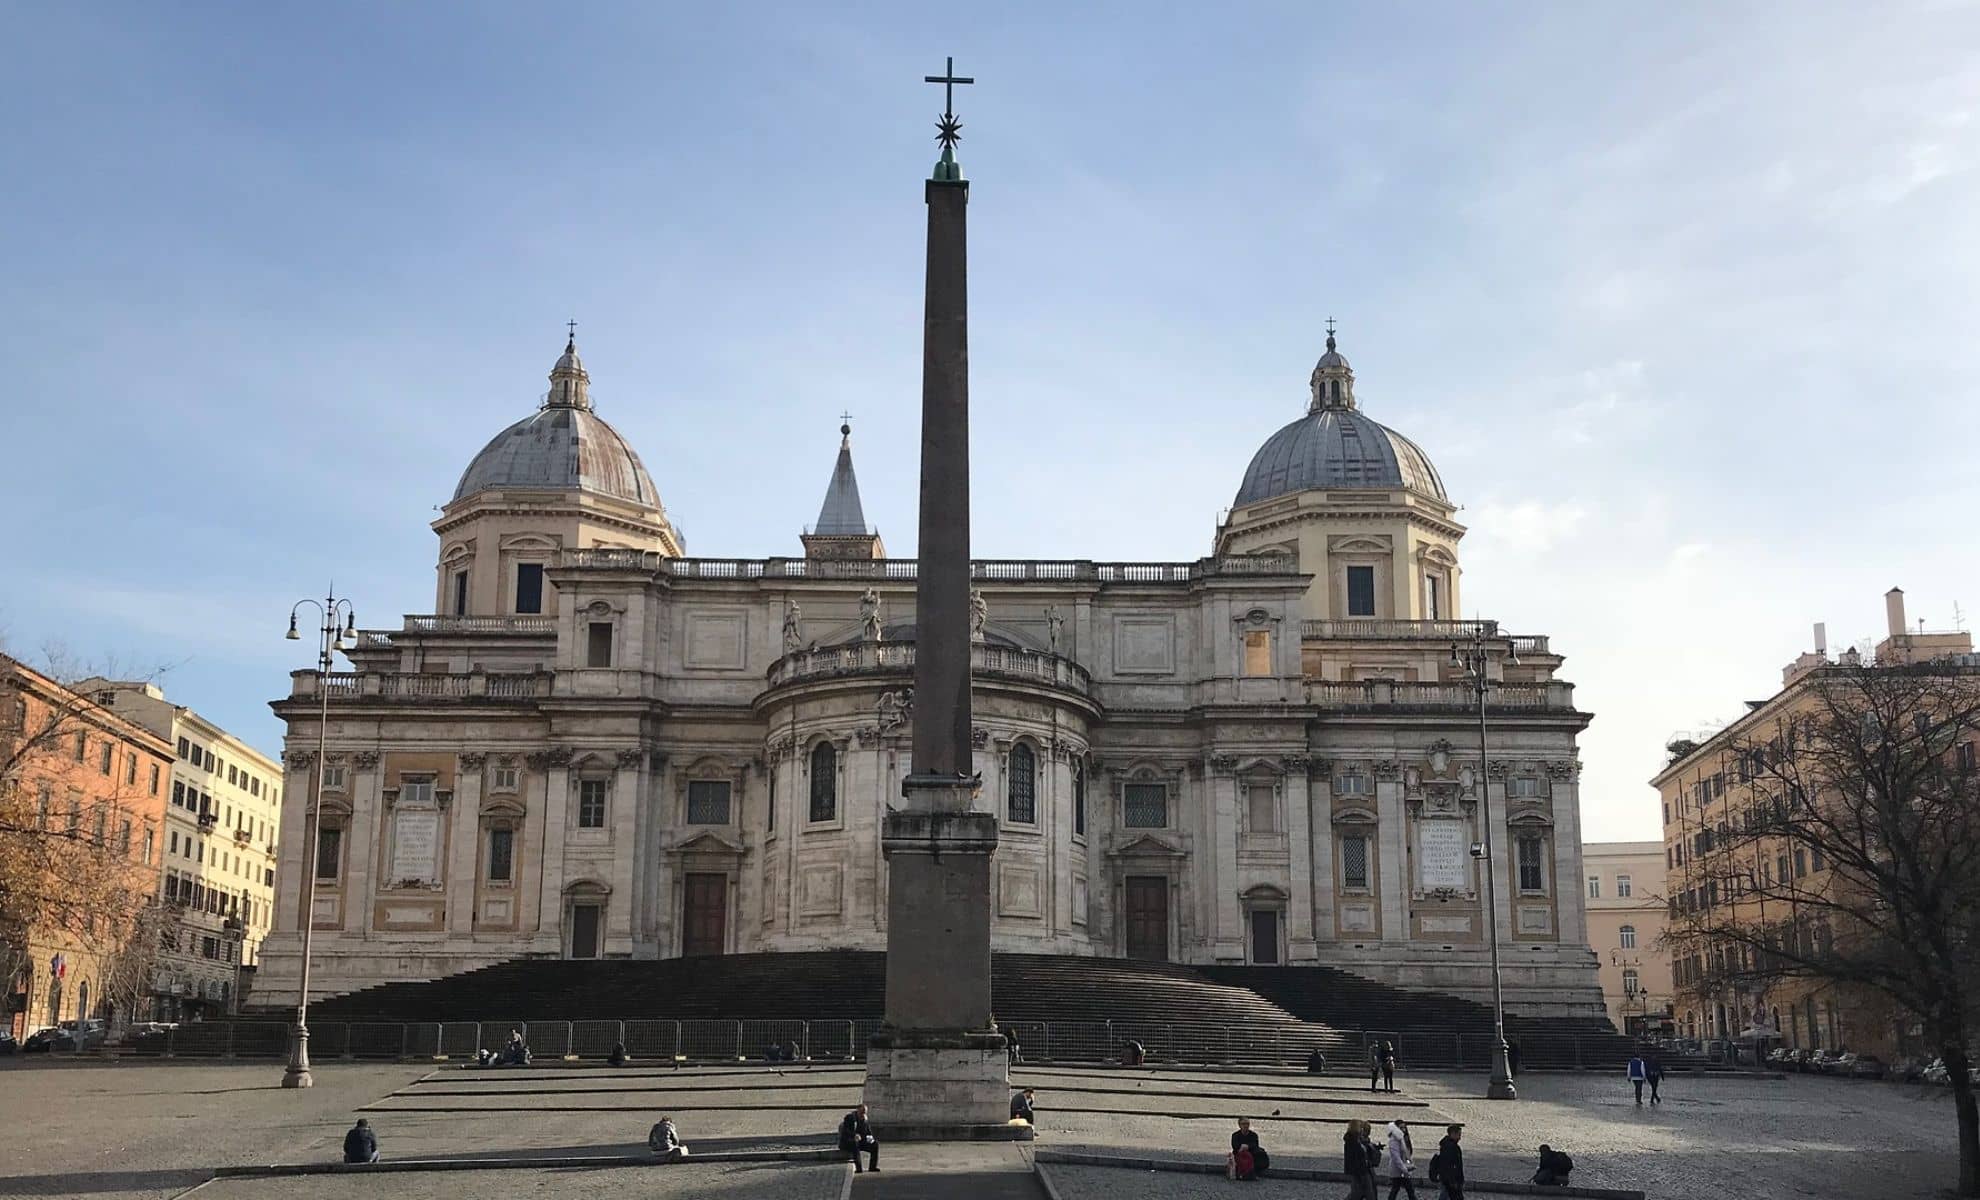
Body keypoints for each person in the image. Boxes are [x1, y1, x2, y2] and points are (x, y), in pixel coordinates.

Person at [1343, 1119, 1380, 1200]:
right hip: (1360, 1172)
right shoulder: (1351, 1142)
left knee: (1361, 1193)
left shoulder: (1358, 1140)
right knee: (1362, 1194)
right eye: (1360, 1127)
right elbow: (1355, 1159)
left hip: (1365, 1170)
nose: (1362, 1129)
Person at [839, 1103, 879, 1173]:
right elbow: (845, 1131)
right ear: (857, 1110)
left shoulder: (865, 1119)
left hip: (861, 1141)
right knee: (855, 1144)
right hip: (849, 1141)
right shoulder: (850, 1118)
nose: (863, 1114)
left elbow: (868, 1132)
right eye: (861, 1112)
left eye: (864, 1112)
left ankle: (872, 1167)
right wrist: (854, 1135)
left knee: (875, 1144)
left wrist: (870, 1139)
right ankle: (859, 1168)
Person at [1385, 1118, 1418, 1200]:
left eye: (1404, 1127)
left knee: (1404, 1189)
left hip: (1403, 1168)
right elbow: (1396, 1157)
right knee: (1402, 1189)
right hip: (1398, 1169)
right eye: (1401, 1128)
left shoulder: (1402, 1139)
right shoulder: (1394, 1141)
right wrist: (1404, 1169)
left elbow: (1407, 1153)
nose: (1403, 1130)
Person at [1429, 1124, 1464, 1200]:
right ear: (1453, 1134)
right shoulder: (1450, 1147)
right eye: (1459, 1134)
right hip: (1450, 1180)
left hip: (1449, 1180)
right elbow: (1448, 1165)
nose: (1460, 1137)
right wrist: (1453, 1181)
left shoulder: (1448, 1145)